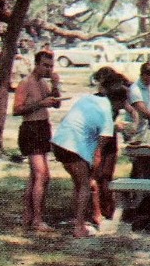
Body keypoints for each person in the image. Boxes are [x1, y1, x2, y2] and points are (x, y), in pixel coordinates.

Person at [51, 82, 130, 238]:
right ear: (119, 102)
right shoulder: (107, 116)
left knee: (80, 184)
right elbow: (98, 153)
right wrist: (93, 173)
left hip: (58, 142)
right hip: (72, 147)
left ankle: (82, 220)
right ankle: (79, 227)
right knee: (85, 185)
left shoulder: (89, 99)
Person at [13, 51, 61, 232]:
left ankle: (29, 215)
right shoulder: (25, 83)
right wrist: (40, 104)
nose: (48, 69)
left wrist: (55, 86)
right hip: (30, 129)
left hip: (43, 127)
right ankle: (37, 220)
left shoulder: (44, 83)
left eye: (51, 66)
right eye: (45, 65)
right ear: (36, 64)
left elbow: (56, 104)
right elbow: (17, 110)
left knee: (34, 176)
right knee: (43, 175)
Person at [89, 68, 132, 224]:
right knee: (97, 174)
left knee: (107, 174)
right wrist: (116, 126)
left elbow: (130, 108)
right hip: (99, 138)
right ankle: (98, 208)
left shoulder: (116, 95)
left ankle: (107, 206)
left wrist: (133, 121)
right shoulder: (98, 100)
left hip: (111, 137)